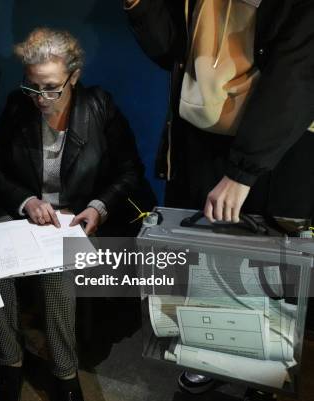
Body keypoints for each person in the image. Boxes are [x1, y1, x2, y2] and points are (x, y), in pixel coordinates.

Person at [124, 0, 314, 397]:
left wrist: (243, 172)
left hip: (273, 142)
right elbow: (171, 50)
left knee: (267, 260)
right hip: (201, 133)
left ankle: (264, 370)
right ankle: (208, 354)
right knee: (206, 259)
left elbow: (297, 72)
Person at [0, 28, 153, 401]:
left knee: (56, 278)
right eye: (33, 86)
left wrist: (99, 206)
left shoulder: (99, 106)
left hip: (74, 218)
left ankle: (64, 374)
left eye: (51, 87)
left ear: (73, 77)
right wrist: (27, 201)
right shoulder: (18, 106)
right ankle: (9, 364)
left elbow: (130, 170)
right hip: (24, 217)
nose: (41, 99)